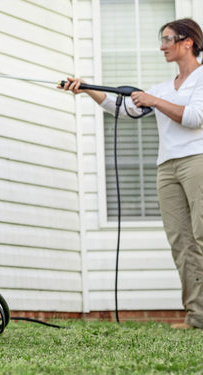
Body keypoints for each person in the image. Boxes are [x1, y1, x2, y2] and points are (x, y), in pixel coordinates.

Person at [61, 18, 203, 329]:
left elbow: (194, 118)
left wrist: (153, 100)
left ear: (188, 41)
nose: (162, 46)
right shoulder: (165, 88)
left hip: (197, 160)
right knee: (181, 241)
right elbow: (122, 108)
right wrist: (86, 89)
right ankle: (197, 317)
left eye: (167, 39)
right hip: (167, 166)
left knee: (202, 235)